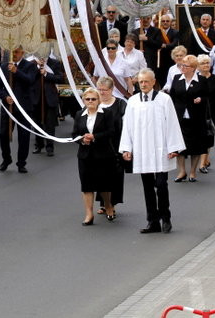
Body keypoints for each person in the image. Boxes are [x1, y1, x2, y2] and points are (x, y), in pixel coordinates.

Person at [119, 69, 185, 234]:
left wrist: (173, 147)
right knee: (147, 186)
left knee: (161, 185)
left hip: (160, 148)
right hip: (142, 149)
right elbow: (127, 126)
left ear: (153, 82)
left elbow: (172, 123)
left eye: (146, 81)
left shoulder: (164, 99)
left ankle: (166, 218)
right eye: (140, 82)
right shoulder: (133, 101)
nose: (143, 84)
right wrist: (127, 148)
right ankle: (152, 220)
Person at [73, 87, 116, 226]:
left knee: (104, 184)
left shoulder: (107, 113)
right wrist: (82, 139)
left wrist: (95, 137)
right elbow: (74, 134)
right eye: (88, 99)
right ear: (83, 100)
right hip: (85, 155)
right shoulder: (79, 114)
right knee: (86, 185)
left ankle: (108, 206)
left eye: (93, 99)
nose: (90, 101)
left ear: (98, 100)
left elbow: (111, 131)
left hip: (103, 154)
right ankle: (89, 213)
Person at [0, 46, 38, 173]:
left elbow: (30, 80)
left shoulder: (30, 66)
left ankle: (21, 163)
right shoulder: (4, 67)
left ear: (22, 53)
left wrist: (16, 71)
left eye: (17, 52)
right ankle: (6, 159)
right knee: (3, 134)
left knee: (24, 136)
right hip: (8, 107)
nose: (14, 54)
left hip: (24, 107)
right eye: (12, 52)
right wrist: (4, 97)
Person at [169, 56, 210, 183]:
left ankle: (193, 172)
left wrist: (201, 99)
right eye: (182, 66)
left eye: (185, 66)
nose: (182, 68)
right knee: (179, 145)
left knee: (196, 146)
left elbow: (207, 96)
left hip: (196, 118)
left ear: (193, 68)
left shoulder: (201, 80)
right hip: (180, 118)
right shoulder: (177, 78)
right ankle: (182, 171)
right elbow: (172, 96)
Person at [96, 77, 127, 216]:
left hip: (116, 144)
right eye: (100, 90)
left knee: (115, 174)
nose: (102, 93)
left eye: (105, 90)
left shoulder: (120, 104)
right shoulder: (95, 103)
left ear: (111, 90)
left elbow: (126, 125)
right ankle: (104, 203)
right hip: (99, 144)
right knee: (101, 174)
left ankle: (112, 203)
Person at [31, 56, 63, 156]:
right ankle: (39, 144)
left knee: (50, 124)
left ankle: (50, 146)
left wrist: (46, 74)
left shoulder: (55, 63)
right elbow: (29, 78)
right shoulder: (32, 63)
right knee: (37, 123)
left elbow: (60, 78)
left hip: (49, 98)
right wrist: (38, 68)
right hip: (37, 97)